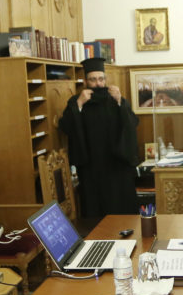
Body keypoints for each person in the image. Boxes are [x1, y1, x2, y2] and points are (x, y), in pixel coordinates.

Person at [58, 57, 140, 218]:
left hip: (117, 164)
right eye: (93, 80)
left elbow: (133, 123)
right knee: (95, 207)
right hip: (91, 166)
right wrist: (79, 104)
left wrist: (120, 102)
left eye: (101, 79)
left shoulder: (116, 99)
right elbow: (65, 127)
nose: (98, 84)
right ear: (85, 81)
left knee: (121, 205)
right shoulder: (76, 101)